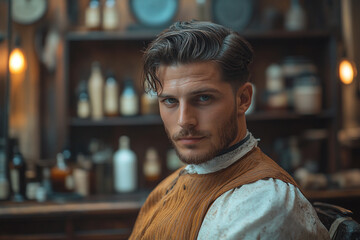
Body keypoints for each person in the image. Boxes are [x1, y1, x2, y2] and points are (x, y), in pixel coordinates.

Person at [129, 21, 330, 240]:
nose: (184, 121)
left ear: (243, 99)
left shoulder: (263, 204)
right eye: (170, 101)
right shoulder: (169, 186)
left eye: (204, 98)